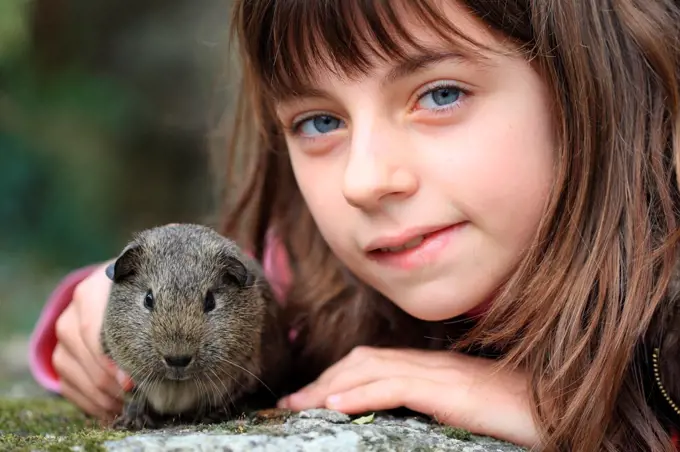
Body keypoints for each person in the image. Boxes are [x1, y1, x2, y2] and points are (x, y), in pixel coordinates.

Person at [28, 0, 680, 450]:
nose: (363, 181)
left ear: (592, 85)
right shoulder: (321, 266)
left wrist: (582, 417)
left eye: (440, 94)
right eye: (320, 122)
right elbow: (217, 295)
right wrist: (91, 319)